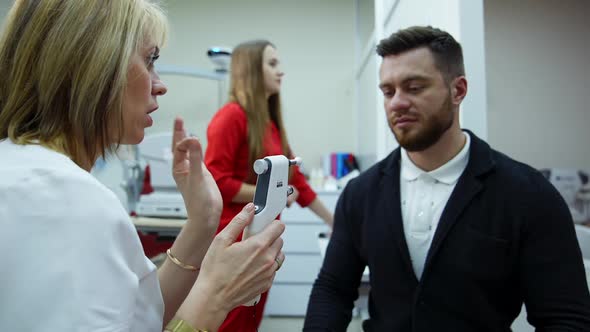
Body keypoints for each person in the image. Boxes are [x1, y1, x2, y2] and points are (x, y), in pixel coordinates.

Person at [0, 1, 285, 332]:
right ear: (93, 67)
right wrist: (214, 296)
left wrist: (203, 221)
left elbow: (139, 316)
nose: (160, 84)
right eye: (149, 61)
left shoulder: (28, 172)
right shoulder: (68, 199)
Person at [304, 26, 590, 331]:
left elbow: (566, 318)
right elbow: (333, 290)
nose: (397, 102)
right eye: (388, 91)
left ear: (458, 90)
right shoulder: (361, 192)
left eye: (414, 87)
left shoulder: (528, 194)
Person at [204, 39, 334, 331]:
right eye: (272, 64)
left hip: (263, 236)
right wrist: (272, 194)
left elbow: (295, 177)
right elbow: (217, 181)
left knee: (250, 318)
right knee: (233, 321)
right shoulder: (231, 117)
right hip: (237, 236)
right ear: (251, 70)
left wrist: (334, 221)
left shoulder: (270, 124)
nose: (281, 71)